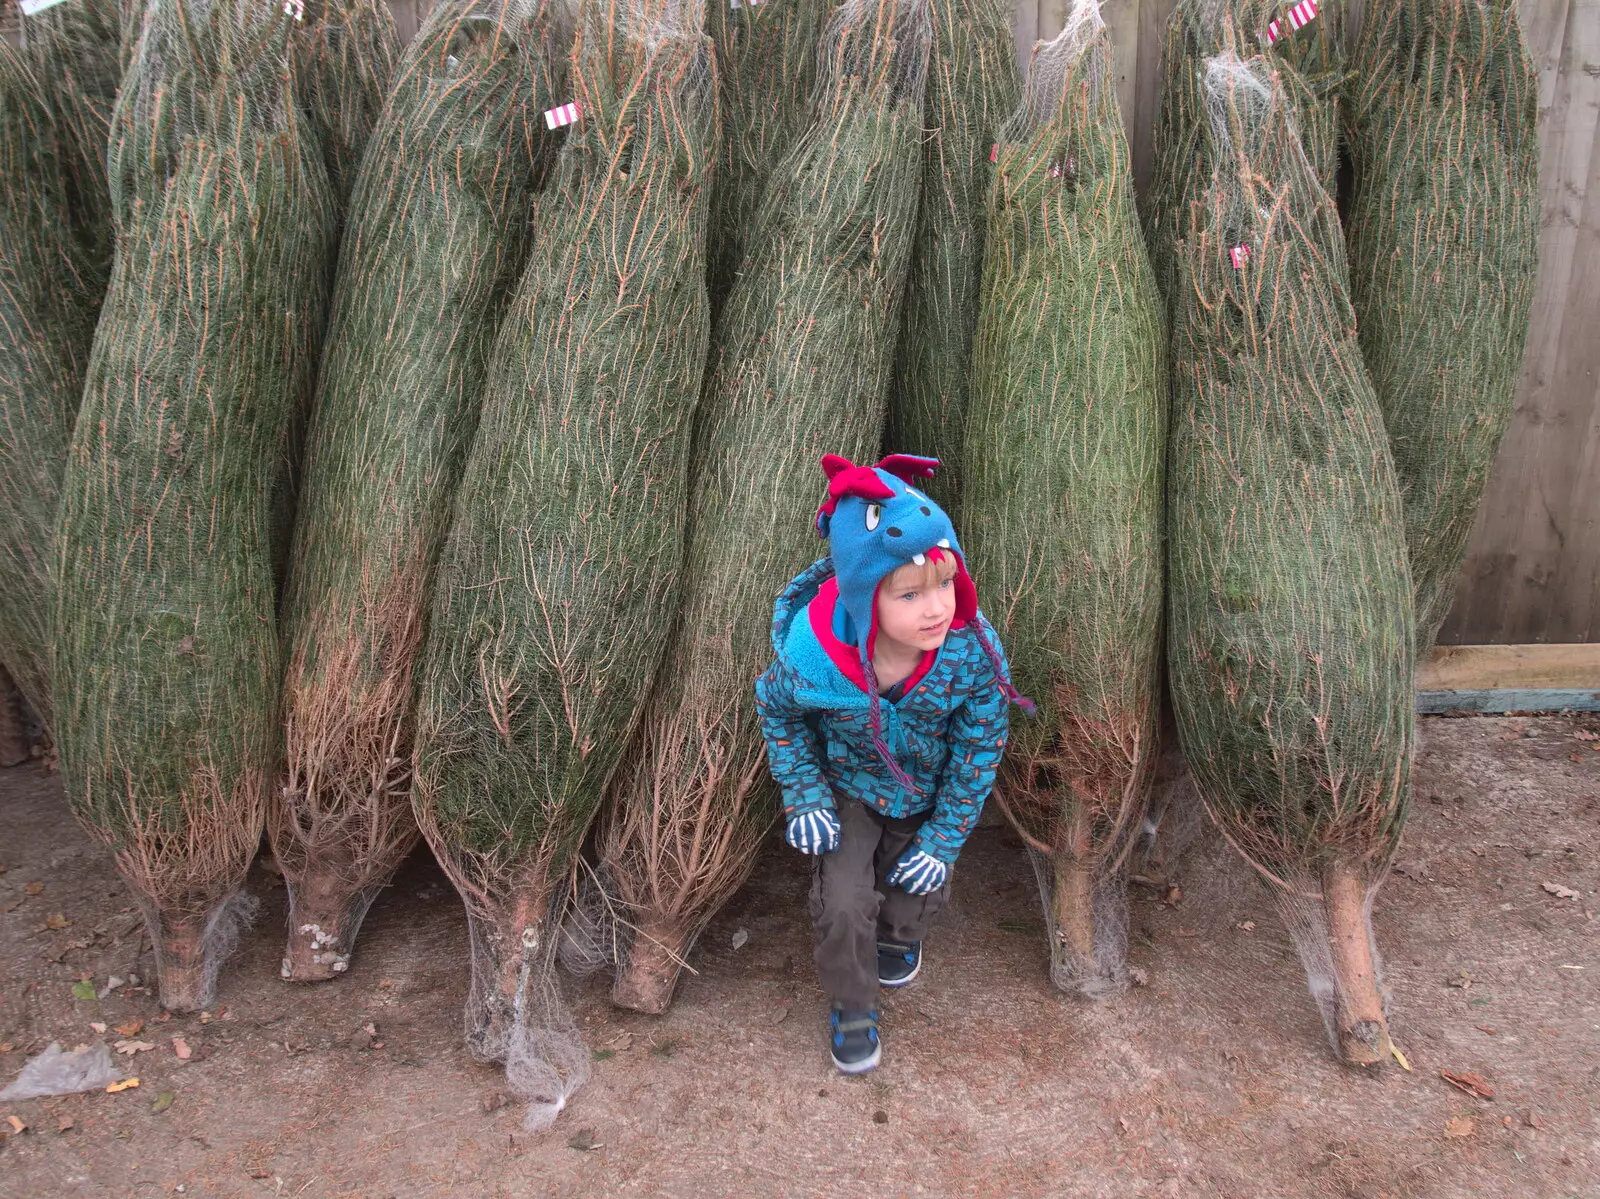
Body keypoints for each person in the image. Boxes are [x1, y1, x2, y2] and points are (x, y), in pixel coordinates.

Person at [754, 453, 1030, 1074]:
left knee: (914, 890)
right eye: (910, 593)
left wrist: (944, 836)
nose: (936, 607)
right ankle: (852, 1005)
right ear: (862, 598)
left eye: (946, 583)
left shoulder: (970, 654)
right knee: (845, 901)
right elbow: (775, 709)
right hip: (849, 789)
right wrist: (805, 794)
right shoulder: (817, 658)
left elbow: (980, 749)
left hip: (929, 795)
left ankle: (901, 937)